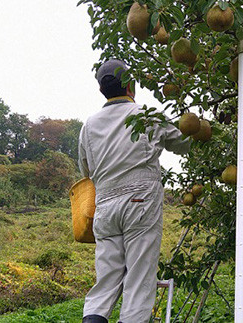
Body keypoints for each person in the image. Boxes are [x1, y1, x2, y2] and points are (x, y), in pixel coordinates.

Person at [79, 59, 190, 323]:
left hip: (105, 206)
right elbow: (183, 143)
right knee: (139, 278)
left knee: (106, 279)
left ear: (101, 90)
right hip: (140, 202)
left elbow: (86, 172)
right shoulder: (147, 115)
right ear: (131, 85)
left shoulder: (89, 126)